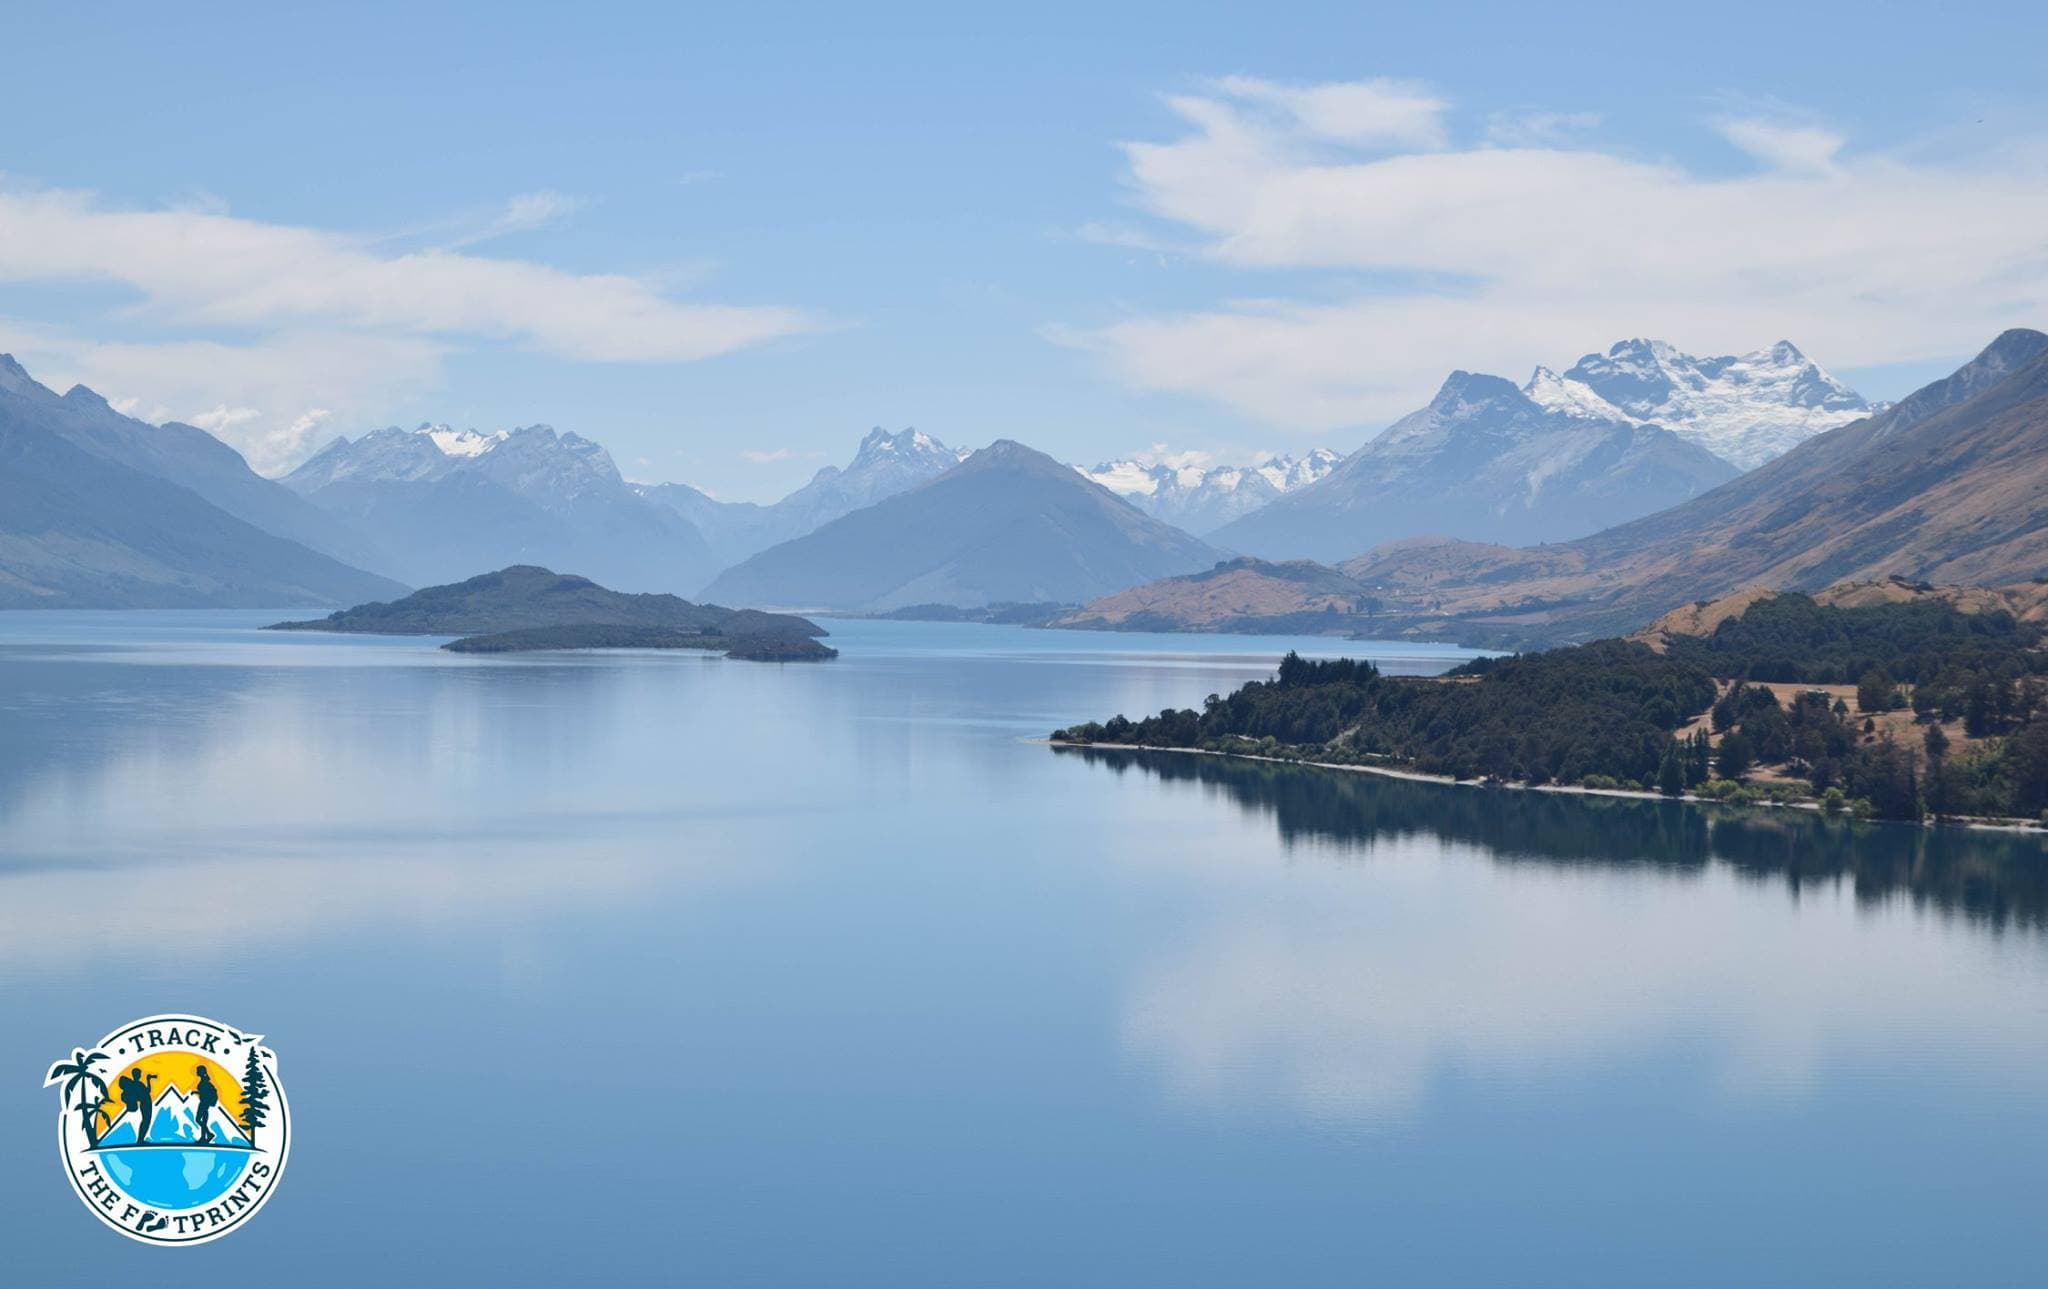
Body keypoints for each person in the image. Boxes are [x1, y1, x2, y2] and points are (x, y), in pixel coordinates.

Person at [120, 1068, 154, 1142]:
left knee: (145, 1122)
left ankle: (140, 1139)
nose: (140, 1075)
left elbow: (146, 1091)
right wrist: (148, 1080)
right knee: (145, 1122)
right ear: (136, 1075)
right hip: (145, 1104)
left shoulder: (137, 1084)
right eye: (139, 1074)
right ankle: (140, 1140)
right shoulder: (137, 1084)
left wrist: (148, 1080)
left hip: (146, 1103)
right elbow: (147, 1091)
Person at [193, 1065, 219, 1145]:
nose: (196, 1072)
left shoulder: (204, 1081)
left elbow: (205, 1092)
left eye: (197, 1071)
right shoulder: (204, 1080)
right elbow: (203, 1092)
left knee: (198, 1119)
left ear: (201, 1072)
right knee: (203, 1121)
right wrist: (196, 1092)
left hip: (204, 1103)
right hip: (205, 1103)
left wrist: (197, 1092)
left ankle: (208, 1135)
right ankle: (204, 1137)